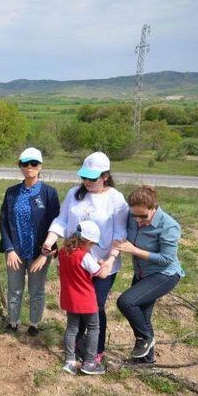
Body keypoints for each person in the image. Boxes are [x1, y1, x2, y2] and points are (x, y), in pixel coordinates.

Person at [38, 152, 128, 365]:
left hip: (102, 263)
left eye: (92, 178)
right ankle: (76, 343)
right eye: (84, 177)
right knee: (76, 304)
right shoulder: (74, 194)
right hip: (75, 262)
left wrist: (110, 259)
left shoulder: (115, 199)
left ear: (105, 176)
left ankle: (96, 349)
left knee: (95, 305)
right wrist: (49, 241)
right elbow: (62, 220)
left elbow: (120, 233)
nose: (87, 182)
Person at [114, 186, 184, 363]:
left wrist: (134, 250)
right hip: (142, 273)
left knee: (126, 302)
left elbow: (166, 259)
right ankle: (146, 361)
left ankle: (144, 338)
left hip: (164, 275)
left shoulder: (169, 226)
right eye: (135, 215)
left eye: (143, 216)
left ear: (154, 207)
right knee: (143, 317)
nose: (138, 220)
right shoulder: (132, 217)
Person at [0, 147, 60, 335]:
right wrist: (9, 248)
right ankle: (13, 321)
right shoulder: (12, 192)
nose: (29, 167)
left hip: (39, 253)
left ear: (40, 166)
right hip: (16, 251)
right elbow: (3, 222)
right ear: (20, 166)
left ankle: (34, 324)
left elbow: (56, 225)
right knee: (15, 289)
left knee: (36, 290)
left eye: (33, 164)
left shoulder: (49, 193)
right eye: (25, 164)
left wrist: (45, 254)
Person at [59, 221, 109, 375]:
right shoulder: (84, 256)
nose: (92, 247)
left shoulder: (62, 252)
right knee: (94, 328)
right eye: (92, 244)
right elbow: (102, 274)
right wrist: (104, 264)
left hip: (69, 298)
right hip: (86, 300)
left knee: (72, 328)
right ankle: (90, 362)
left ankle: (70, 361)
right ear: (87, 241)